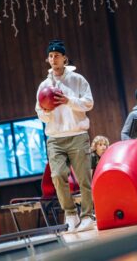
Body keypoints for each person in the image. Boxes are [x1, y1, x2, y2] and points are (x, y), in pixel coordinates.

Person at [35, 40, 95, 232]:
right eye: (50, 56)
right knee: (57, 175)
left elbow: (88, 103)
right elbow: (40, 114)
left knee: (84, 179)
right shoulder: (44, 85)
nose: (53, 59)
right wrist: (47, 109)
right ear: (48, 59)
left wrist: (69, 101)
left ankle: (87, 216)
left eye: (57, 55)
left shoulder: (78, 80)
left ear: (64, 58)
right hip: (54, 138)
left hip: (77, 134)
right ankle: (70, 213)